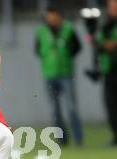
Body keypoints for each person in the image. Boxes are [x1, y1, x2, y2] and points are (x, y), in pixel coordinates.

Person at [35, 6, 83, 146]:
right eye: (50, 15)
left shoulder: (68, 29)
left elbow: (77, 47)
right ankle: (62, 140)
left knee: (71, 107)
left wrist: (66, 53)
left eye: (54, 15)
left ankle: (78, 138)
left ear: (59, 16)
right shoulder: (42, 31)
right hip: (49, 74)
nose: (52, 18)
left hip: (66, 73)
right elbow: (37, 49)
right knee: (55, 109)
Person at [96, 0, 117, 146]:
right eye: (110, 5)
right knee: (111, 104)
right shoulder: (106, 25)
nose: (112, 8)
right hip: (109, 70)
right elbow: (98, 44)